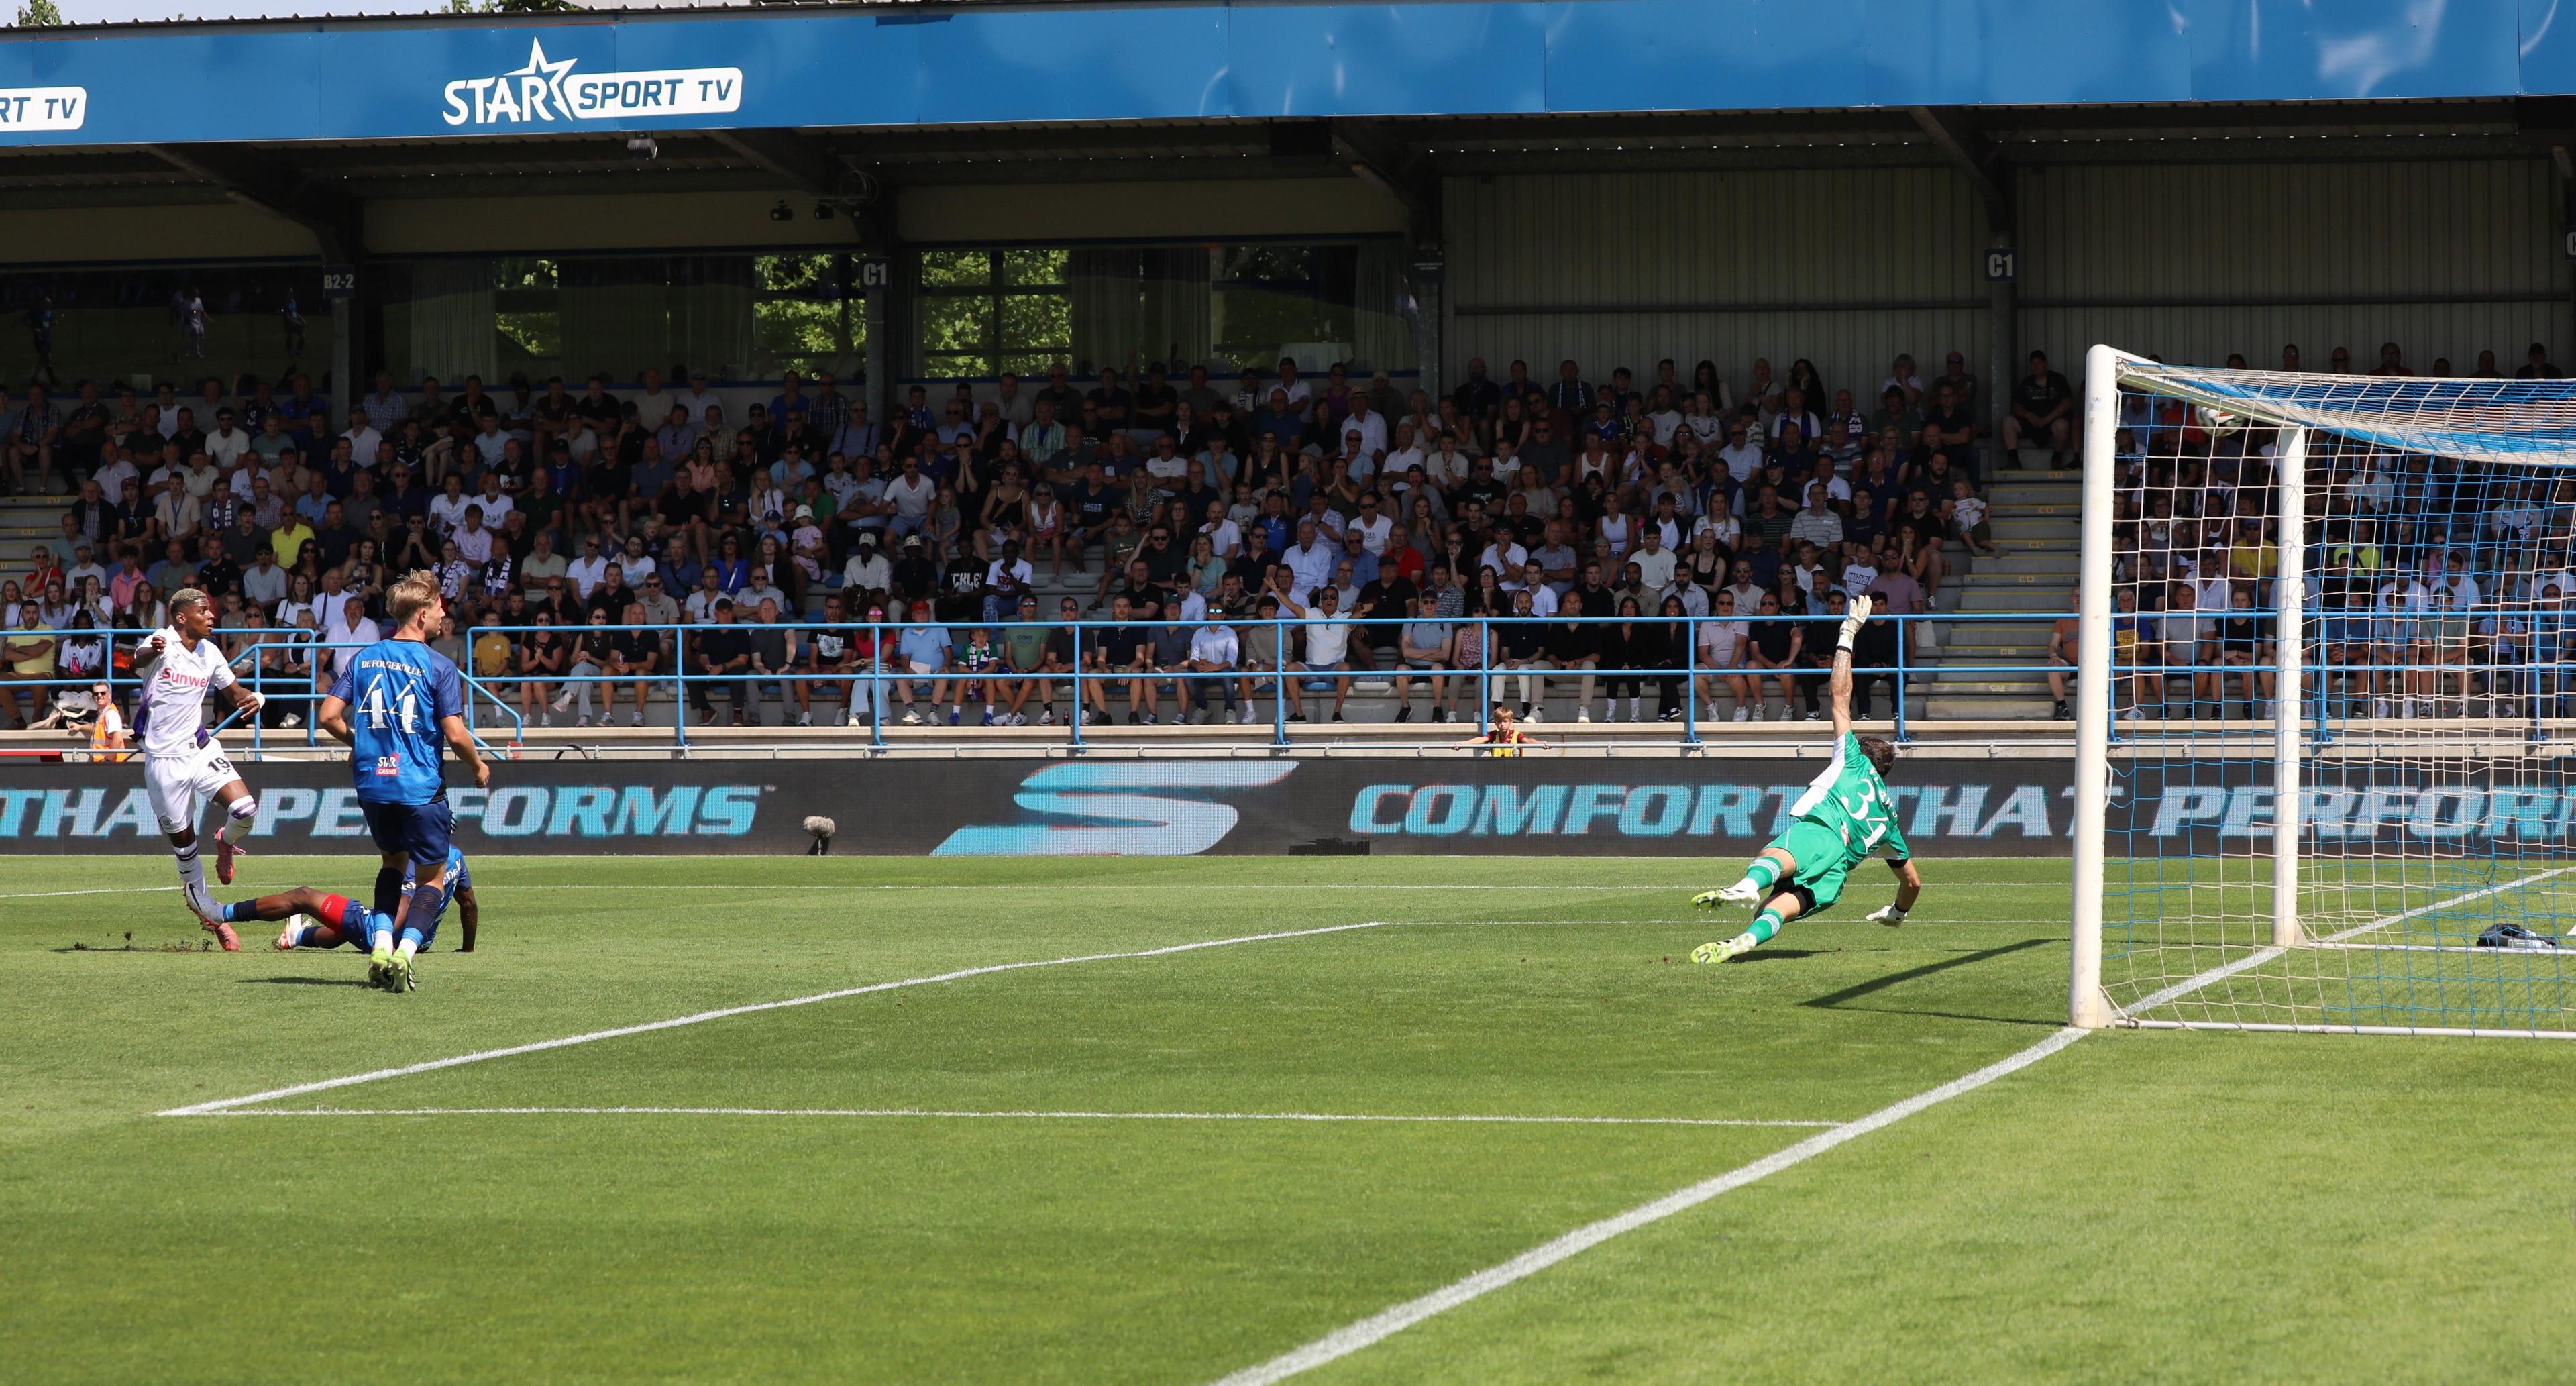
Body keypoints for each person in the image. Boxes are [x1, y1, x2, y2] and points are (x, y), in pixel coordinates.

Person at [1689, 594, 1923, 963]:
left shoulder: (1852, 760)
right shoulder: (1890, 819)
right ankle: (1747, 939)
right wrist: (1897, 913)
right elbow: (1913, 882)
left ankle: (1747, 885)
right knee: (1778, 909)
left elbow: (1840, 696)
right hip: (1836, 877)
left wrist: (1847, 634)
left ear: (1862, 754)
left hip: (1820, 833)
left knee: (1772, 858)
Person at [317, 568, 492, 992]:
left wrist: (361, 747)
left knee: (392, 864)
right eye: (437, 608)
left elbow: (326, 717)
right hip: (420, 786)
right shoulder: (438, 666)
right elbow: (454, 734)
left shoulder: (363, 658)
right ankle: (405, 953)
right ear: (420, 614)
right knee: (431, 879)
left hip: (373, 786)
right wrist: (478, 766)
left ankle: (379, 945)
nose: (443, 614)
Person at [130, 587, 268, 944]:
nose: (211, 616)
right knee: (185, 846)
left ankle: (226, 840)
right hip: (163, 762)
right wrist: (151, 650)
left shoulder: (210, 652)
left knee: (246, 810)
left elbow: (235, 693)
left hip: (200, 749)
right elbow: (138, 660)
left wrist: (251, 700)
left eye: (211, 610)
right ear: (181, 617)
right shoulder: (162, 640)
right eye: (203, 611)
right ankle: (204, 905)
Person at [222, 847, 479, 956]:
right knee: (346, 926)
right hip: (421, 943)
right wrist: (467, 950)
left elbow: (400, 915)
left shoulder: (415, 862)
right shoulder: (455, 856)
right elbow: (468, 904)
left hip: (392, 941)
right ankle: (296, 937)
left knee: (302, 896)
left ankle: (223, 913)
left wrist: (384, 938)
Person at [1451, 702, 1547, 756]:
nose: (1502, 724)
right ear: (1496, 723)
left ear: (1511, 722)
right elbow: (1480, 740)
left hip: (1516, 771)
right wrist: (1463, 744)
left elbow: (1528, 740)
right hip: (1498, 770)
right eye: (1499, 722)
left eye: (1505, 721)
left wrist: (1540, 744)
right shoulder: (1494, 735)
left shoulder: (1516, 735)